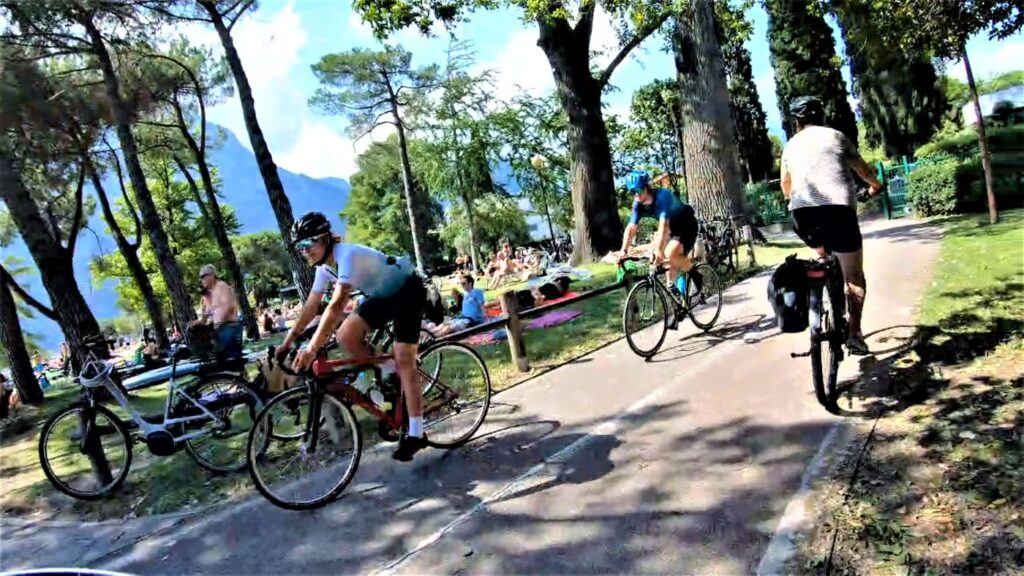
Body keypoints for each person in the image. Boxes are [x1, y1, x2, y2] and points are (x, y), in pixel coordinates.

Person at [282, 212, 429, 461]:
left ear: (326, 239)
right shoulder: (324, 267)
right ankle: (386, 368)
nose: (304, 251)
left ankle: (416, 433)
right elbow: (310, 307)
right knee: (346, 336)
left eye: (308, 244)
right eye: (300, 247)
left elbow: (337, 303)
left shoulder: (346, 254)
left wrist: (312, 349)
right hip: (382, 295)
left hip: (407, 291)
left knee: (405, 359)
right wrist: (286, 343)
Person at [780, 96, 883, 355]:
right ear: (821, 115)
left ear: (797, 121)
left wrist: (796, 199)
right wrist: (875, 186)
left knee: (825, 255)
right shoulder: (836, 137)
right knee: (854, 276)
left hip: (802, 215)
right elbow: (863, 169)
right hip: (838, 212)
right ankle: (855, 334)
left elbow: (785, 186)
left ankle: (825, 277)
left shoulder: (790, 146)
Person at [614, 169, 701, 330]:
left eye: (639, 190)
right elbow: (631, 227)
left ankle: (695, 273)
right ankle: (680, 305)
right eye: (633, 192)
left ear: (647, 187)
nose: (636, 194)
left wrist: (659, 251)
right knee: (669, 273)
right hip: (672, 229)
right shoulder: (638, 205)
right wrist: (623, 251)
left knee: (668, 253)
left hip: (686, 225)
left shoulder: (662, 197)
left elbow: (663, 226)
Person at [196, 264, 243, 358]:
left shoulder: (221, 286)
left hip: (229, 327)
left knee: (231, 360)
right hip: (220, 329)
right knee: (221, 360)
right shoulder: (209, 293)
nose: (201, 280)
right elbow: (210, 313)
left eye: (203, 276)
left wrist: (218, 323)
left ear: (212, 275)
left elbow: (229, 306)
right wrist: (200, 321)